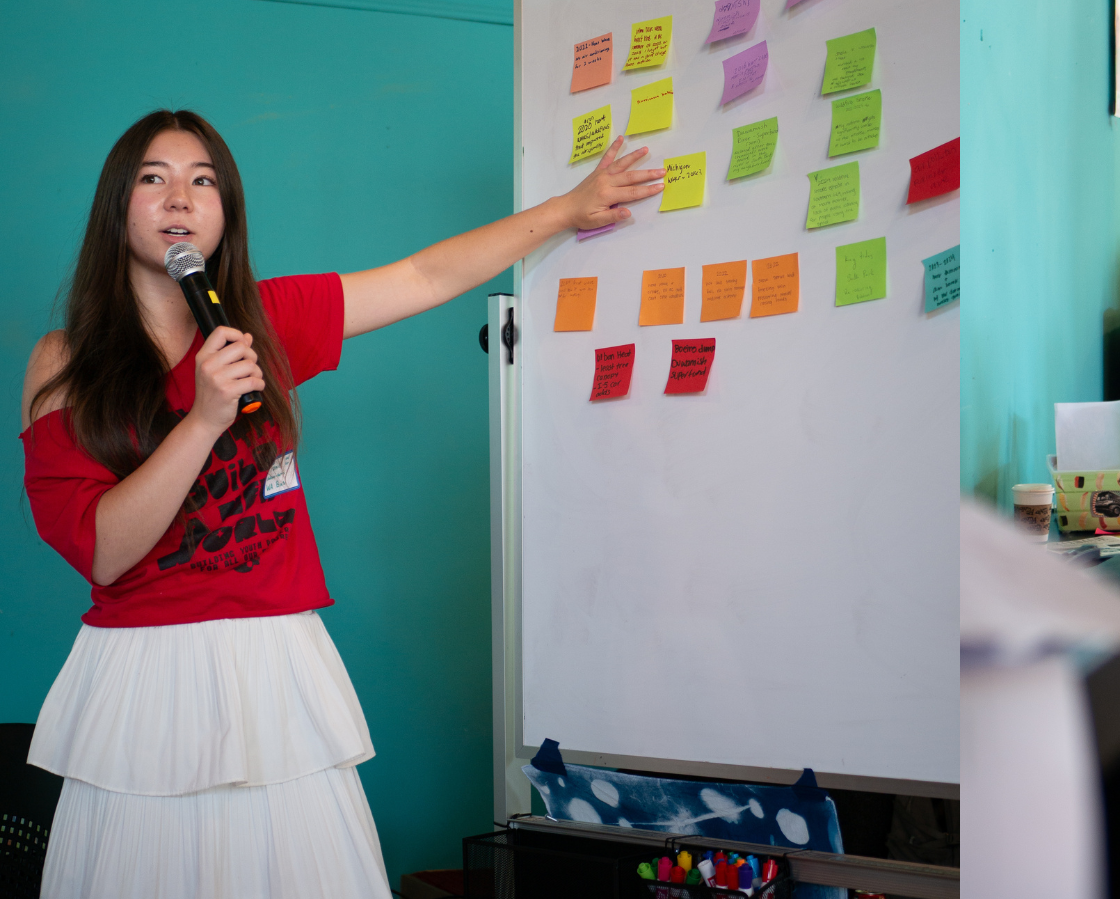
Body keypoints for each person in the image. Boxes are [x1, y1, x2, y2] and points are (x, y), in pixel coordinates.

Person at [20, 110, 663, 897]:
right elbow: (102, 550)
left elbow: (423, 277)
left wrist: (567, 209)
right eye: (154, 178)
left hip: (275, 667)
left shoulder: (264, 321)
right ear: (117, 203)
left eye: (203, 181)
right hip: (148, 680)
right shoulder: (64, 363)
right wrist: (204, 419)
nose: (180, 199)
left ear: (227, 216)